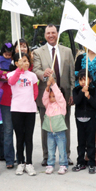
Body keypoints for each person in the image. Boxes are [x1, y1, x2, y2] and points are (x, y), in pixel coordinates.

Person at [33, 25, 75, 166]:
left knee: (65, 126)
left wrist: (72, 92)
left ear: (57, 34)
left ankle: (66, 155)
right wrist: (43, 74)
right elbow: (36, 69)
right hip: (46, 96)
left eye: (53, 32)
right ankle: (47, 156)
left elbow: (71, 74)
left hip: (64, 96)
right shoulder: (38, 52)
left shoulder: (67, 51)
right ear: (45, 35)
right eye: (48, 33)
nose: (51, 35)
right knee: (47, 126)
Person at [74, 49, 96, 166]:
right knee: (86, 126)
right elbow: (76, 75)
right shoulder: (80, 58)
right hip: (83, 95)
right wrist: (82, 92)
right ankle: (88, 152)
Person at [8, 52, 39, 176]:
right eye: (22, 61)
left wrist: (31, 101)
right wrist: (19, 70)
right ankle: (20, 162)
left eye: (27, 61)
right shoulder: (12, 74)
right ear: (16, 63)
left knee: (28, 137)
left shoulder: (32, 75)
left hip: (30, 110)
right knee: (19, 137)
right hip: (16, 110)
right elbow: (11, 82)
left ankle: (29, 163)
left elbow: (35, 91)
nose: (25, 63)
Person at [72, 70, 96, 174]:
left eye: (85, 79)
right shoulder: (76, 90)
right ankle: (80, 162)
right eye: (81, 79)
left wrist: (88, 96)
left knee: (91, 141)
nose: (83, 82)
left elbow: (95, 104)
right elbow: (76, 101)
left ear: (90, 80)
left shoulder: (93, 91)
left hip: (90, 118)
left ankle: (91, 163)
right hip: (79, 119)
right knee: (81, 142)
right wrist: (82, 92)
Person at [42, 76, 68, 175]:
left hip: (60, 132)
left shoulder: (61, 105)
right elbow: (44, 98)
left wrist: (54, 84)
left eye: (54, 96)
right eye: (50, 96)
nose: (52, 99)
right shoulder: (48, 105)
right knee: (50, 149)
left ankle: (63, 165)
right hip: (50, 132)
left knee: (62, 150)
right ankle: (50, 165)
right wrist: (47, 88)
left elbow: (59, 96)